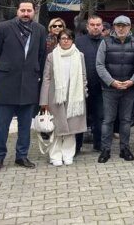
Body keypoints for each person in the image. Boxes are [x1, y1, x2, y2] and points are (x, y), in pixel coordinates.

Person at [0, 0, 48, 173]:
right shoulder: (3, 28)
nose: (26, 13)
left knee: (24, 125)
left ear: (34, 12)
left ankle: (21, 156)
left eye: (29, 10)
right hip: (7, 83)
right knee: (2, 124)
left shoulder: (40, 30)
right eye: (23, 10)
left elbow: (41, 54)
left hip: (29, 83)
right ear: (17, 11)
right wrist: (3, 68)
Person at [96, 15, 134, 163]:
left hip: (129, 89)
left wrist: (132, 81)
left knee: (125, 120)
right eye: (118, 25)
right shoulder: (105, 42)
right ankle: (105, 150)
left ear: (130, 27)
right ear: (114, 27)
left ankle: (125, 149)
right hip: (110, 89)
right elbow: (99, 65)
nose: (121, 28)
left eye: (124, 25)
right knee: (108, 120)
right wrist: (111, 82)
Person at [39, 30, 87, 167]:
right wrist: (44, 101)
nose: (66, 41)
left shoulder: (80, 56)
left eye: (69, 38)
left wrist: (83, 93)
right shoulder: (51, 56)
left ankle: (68, 155)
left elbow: (83, 76)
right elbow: (46, 78)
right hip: (56, 97)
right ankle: (55, 156)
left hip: (74, 97)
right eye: (63, 38)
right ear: (58, 40)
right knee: (56, 128)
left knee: (71, 129)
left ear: (73, 40)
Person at [74, 15, 104, 152]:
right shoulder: (78, 42)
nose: (95, 27)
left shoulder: (107, 42)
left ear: (102, 26)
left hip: (101, 86)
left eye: (98, 24)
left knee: (99, 117)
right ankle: (77, 145)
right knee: (80, 116)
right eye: (92, 24)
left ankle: (99, 144)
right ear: (87, 26)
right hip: (82, 86)